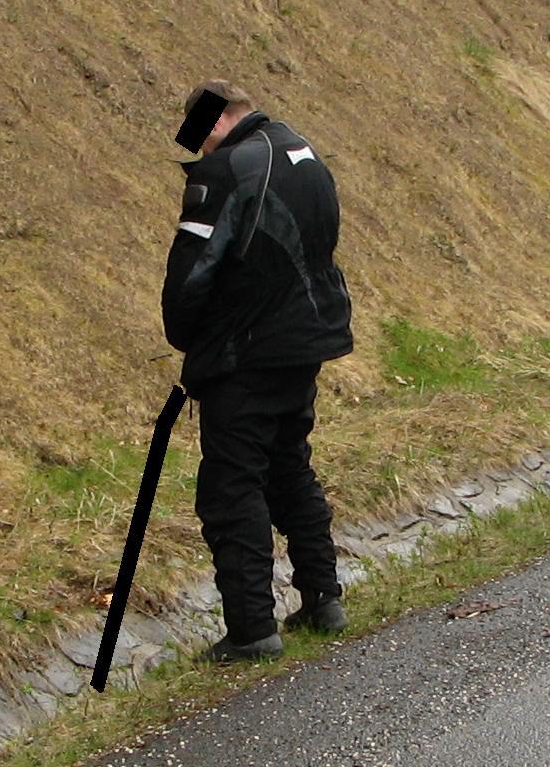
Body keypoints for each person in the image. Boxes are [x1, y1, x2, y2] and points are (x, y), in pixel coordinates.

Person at [161, 78, 355, 663]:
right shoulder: (305, 151)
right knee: (288, 466)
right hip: (305, 339)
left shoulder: (228, 170)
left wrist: (187, 336)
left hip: (245, 350)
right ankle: (323, 599)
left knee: (231, 484)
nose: (201, 154)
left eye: (200, 139)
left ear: (215, 121)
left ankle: (251, 629)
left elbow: (193, 273)